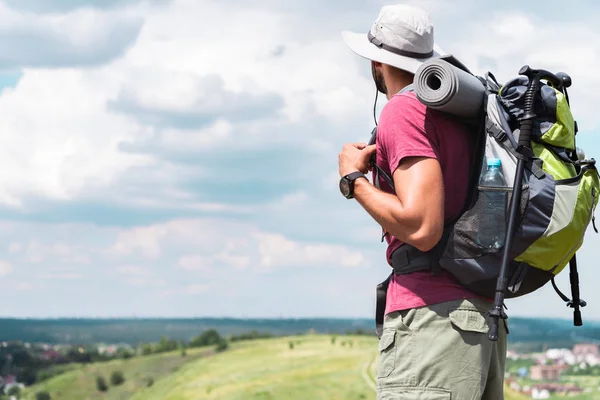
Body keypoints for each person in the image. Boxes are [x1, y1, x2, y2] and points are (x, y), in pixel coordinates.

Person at [337, 4, 507, 399]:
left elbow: (422, 227)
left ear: (378, 62)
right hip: (479, 319)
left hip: (433, 319)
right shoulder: (456, 117)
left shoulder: (403, 110)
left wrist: (353, 180)